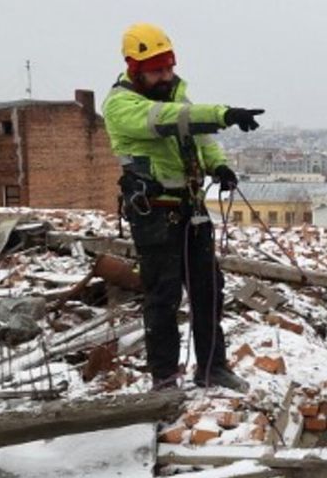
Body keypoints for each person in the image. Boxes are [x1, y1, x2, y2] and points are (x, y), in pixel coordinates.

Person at [102, 23, 264, 391]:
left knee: (208, 288)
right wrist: (224, 113)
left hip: (190, 206)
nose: (166, 75)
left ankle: (212, 367)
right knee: (164, 296)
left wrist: (216, 164)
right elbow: (168, 121)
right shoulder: (122, 105)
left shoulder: (176, 94)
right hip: (154, 212)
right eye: (157, 70)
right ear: (135, 69)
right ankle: (165, 379)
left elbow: (199, 137)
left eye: (169, 67)